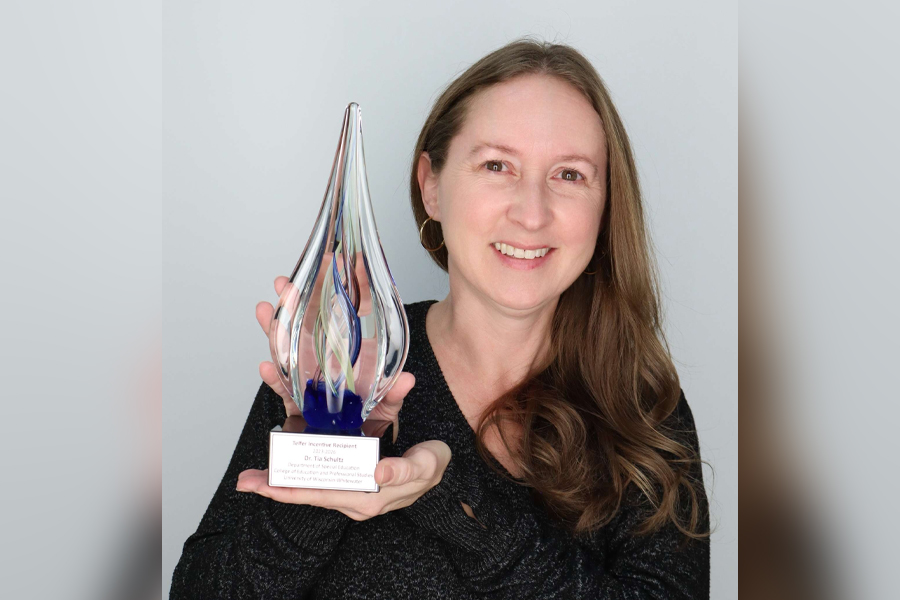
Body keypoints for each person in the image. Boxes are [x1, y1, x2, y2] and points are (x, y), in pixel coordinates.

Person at [170, 38, 711, 599]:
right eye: (497, 165)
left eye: (569, 175)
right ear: (431, 185)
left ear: (605, 205)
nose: (532, 213)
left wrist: (455, 502)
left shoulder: (641, 405)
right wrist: (324, 456)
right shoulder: (337, 369)